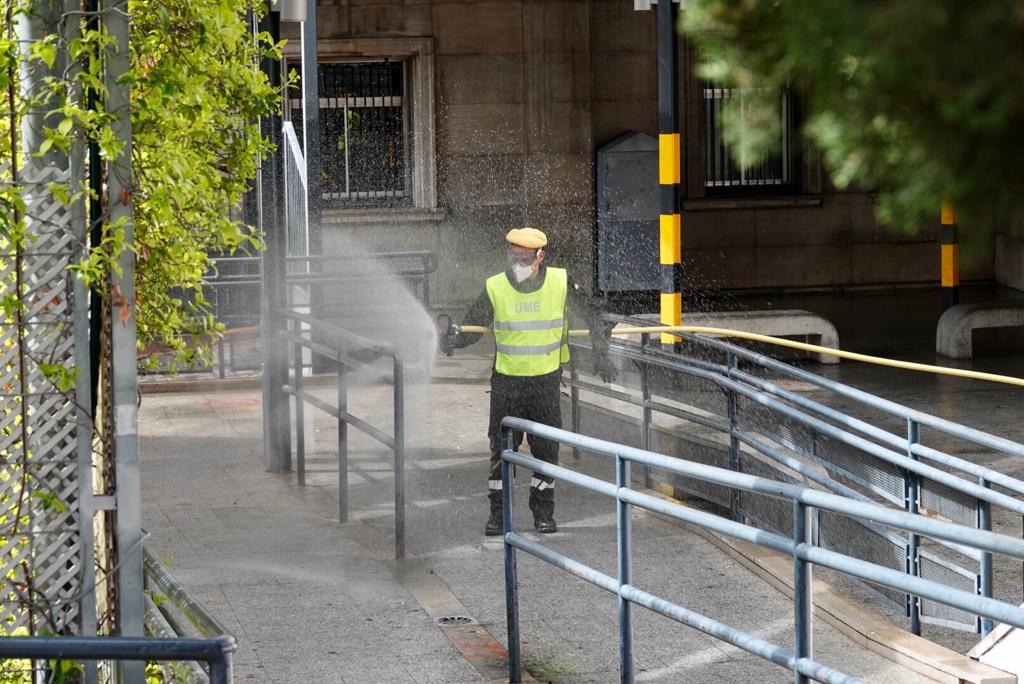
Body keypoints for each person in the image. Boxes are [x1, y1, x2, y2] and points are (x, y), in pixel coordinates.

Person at [439, 227, 618, 536]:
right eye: (515, 259)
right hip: (508, 384)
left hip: (545, 384)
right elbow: (474, 323)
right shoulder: (496, 286)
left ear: (540, 257)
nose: (519, 265)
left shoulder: (561, 282)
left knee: (546, 452)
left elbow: (593, 315)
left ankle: (543, 513)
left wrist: (601, 353)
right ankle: (498, 515)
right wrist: (455, 338)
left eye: (525, 260)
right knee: (502, 452)